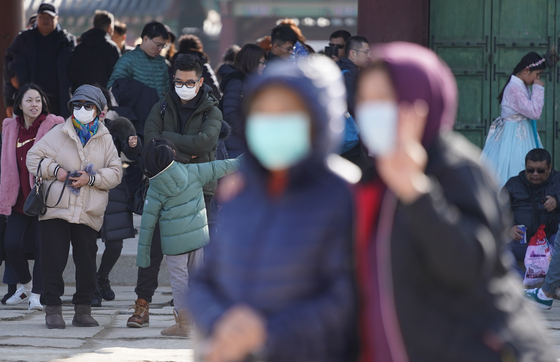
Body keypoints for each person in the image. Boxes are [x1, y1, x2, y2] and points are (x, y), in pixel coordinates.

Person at [354, 41, 554, 361]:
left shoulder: (458, 170)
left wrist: (417, 193)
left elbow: (469, 263)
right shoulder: (370, 180)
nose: (371, 111)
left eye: (385, 99)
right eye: (365, 100)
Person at [188, 55, 358, 362]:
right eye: (263, 113)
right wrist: (219, 324)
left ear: (318, 118)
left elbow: (345, 297)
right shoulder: (242, 190)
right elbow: (204, 280)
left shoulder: (342, 193)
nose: (272, 123)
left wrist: (264, 336)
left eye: (287, 113)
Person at [126, 53, 223, 328]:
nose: (183, 86)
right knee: (152, 249)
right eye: (179, 81)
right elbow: (150, 141)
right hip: (163, 188)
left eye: (189, 82)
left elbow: (205, 143)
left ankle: (194, 313)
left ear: (200, 81)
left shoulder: (212, 111)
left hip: (198, 189)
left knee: (195, 257)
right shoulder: (161, 108)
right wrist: (182, 150)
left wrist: (167, 147)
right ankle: (142, 305)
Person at [26, 85, 122, 329]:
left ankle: (83, 310)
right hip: (57, 207)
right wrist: (55, 171)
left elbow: (116, 172)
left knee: (87, 261)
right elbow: (33, 158)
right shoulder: (58, 132)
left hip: (88, 209)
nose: (81, 109)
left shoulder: (105, 137)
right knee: (53, 259)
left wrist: (91, 179)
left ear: (98, 110)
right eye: (77, 105)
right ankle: (53, 310)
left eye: (87, 106)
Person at [136, 137, 240, 336]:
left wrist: (143, 258)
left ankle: (183, 324)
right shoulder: (194, 172)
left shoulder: (155, 187)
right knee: (197, 279)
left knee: (179, 282)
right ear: (173, 154)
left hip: (174, 244)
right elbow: (226, 165)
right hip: (198, 239)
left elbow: (148, 226)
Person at [0, 84, 64, 310]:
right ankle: (26, 286)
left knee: (40, 248)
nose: (34, 104)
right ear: (19, 104)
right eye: (29, 100)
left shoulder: (54, 126)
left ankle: (37, 295)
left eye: (38, 100)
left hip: (43, 197)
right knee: (11, 245)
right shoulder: (10, 128)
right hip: (17, 198)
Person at [91, 87, 141, 307]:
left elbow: (132, 154)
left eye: (104, 104)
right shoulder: (73, 129)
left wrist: (133, 144)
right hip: (87, 188)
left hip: (114, 191)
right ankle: (91, 284)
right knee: (87, 243)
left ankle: (102, 277)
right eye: (94, 104)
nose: (101, 109)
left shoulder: (117, 127)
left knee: (116, 244)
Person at [481, 52, 546, 187]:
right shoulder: (514, 88)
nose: (537, 78)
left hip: (522, 130)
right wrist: (538, 88)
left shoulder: (520, 86)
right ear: (526, 70)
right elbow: (534, 112)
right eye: (537, 74)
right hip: (513, 135)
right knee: (513, 165)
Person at [3, 2, 75, 118]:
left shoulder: (66, 41)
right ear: (37, 18)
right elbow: (8, 68)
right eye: (42, 17)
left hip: (59, 104)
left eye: (49, 18)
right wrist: (9, 101)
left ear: (57, 19)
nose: (45, 20)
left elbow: (76, 72)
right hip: (29, 102)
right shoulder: (24, 39)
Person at [502, 148, 560, 262]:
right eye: (530, 170)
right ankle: (517, 279)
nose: (535, 174)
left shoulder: (558, 180)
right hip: (522, 240)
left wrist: (557, 200)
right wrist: (509, 228)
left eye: (540, 171)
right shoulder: (514, 184)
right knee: (499, 247)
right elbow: (498, 209)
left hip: (551, 239)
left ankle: (551, 280)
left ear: (549, 168)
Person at [221, 44, 266, 158]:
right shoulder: (236, 83)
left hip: (242, 145)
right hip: (235, 146)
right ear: (252, 62)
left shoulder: (252, 82)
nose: (264, 66)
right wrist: (250, 133)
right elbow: (230, 114)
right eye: (262, 62)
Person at [107, 20, 170, 100]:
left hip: (159, 111)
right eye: (158, 45)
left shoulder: (161, 62)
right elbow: (113, 88)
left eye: (163, 46)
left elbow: (167, 91)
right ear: (145, 39)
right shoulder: (127, 60)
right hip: (134, 112)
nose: (160, 49)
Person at [67, 10, 121, 93]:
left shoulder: (79, 47)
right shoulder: (110, 48)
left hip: (81, 97)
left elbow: (72, 73)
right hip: (103, 98)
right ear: (109, 27)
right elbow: (117, 77)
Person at [170, 34, 221, 99]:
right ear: (198, 48)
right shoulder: (203, 65)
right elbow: (214, 89)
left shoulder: (173, 64)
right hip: (201, 104)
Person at [338, 35, 370, 117]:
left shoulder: (343, 68)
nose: (369, 56)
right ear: (353, 54)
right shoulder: (348, 74)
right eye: (366, 52)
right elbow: (352, 107)